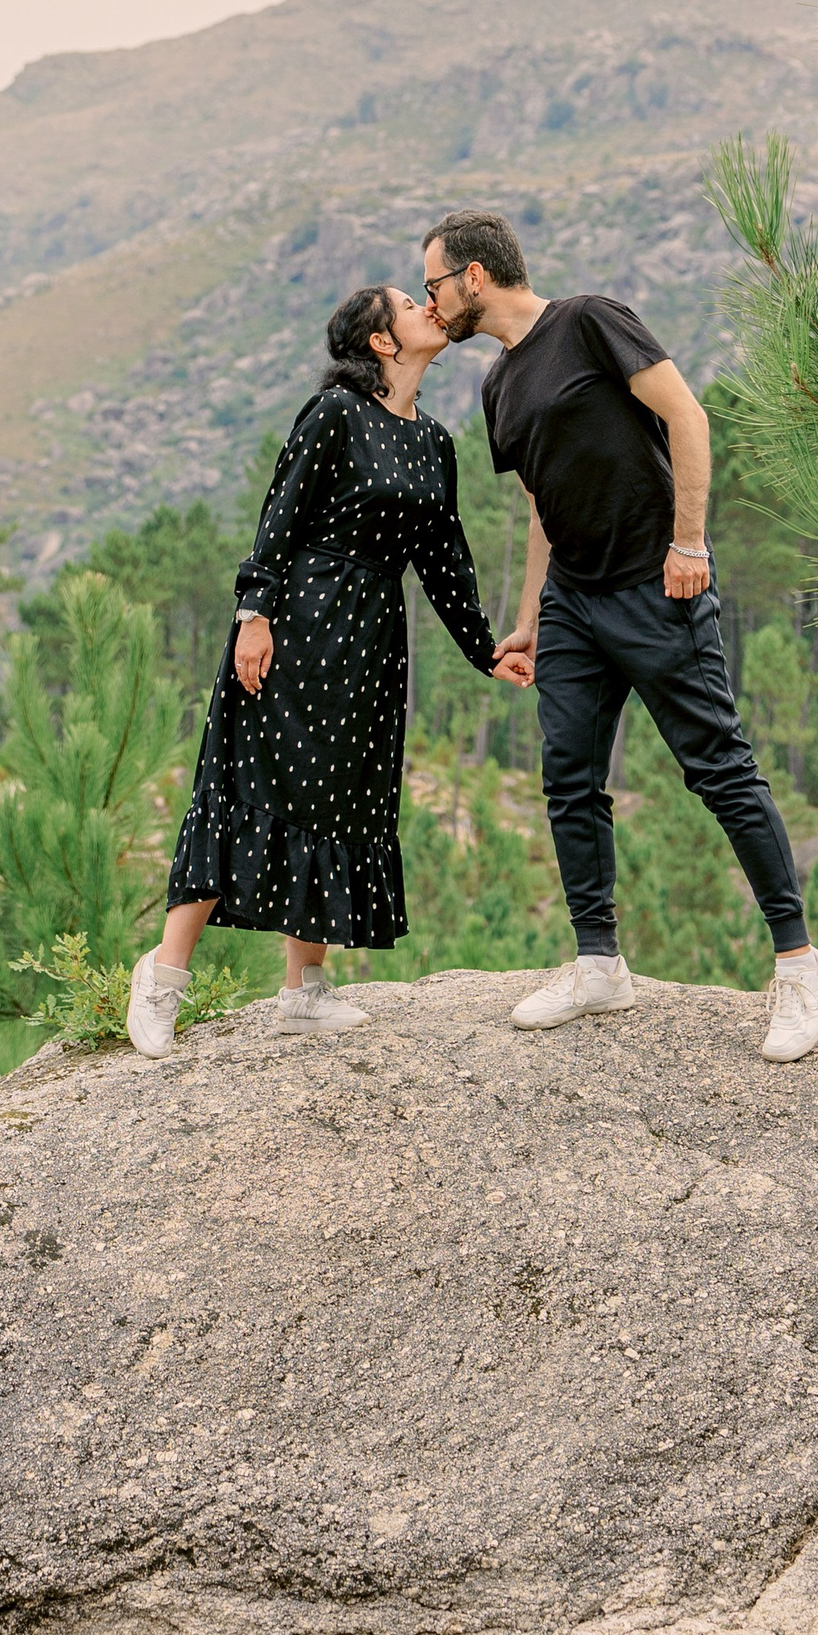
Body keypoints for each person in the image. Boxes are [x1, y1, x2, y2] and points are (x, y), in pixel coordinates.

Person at [420, 209, 818, 1062]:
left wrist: (689, 541)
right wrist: (535, 616)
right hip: (575, 602)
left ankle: (800, 964)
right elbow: (542, 506)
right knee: (569, 780)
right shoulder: (497, 385)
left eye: (432, 284)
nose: (431, 303)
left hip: (657, 584)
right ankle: (599, 962)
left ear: (473, 276)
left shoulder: (588, 322)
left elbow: (687, 416)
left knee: (717, 767)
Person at [127, 282, 529, 1058]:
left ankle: (303, 992)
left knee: (338, 799)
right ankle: (162, 977)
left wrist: (485, 648)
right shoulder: (335, 415)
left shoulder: (434, 442)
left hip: (372, 643)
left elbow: (444, 560)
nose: (427, 308)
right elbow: (279, 517)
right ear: (382, 340)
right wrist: (254, 615)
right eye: (411, 305)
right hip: (298, 625)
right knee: (248, 788)